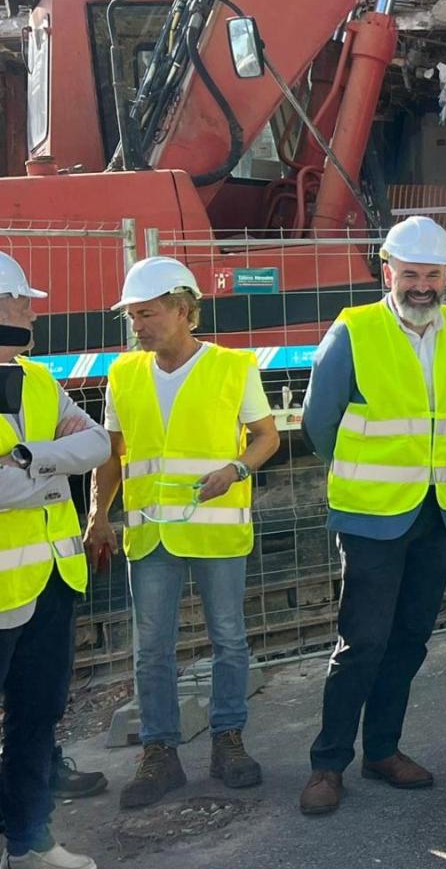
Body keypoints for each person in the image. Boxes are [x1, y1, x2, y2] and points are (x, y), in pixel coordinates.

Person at [297, 217, 446, 816]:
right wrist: (363, 470)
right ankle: (328, 764)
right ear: (388, 273)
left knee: (408, 640)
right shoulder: (354, 329)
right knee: (362, 642)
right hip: (372, 515)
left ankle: (382, 750)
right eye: (411, 274)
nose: (423, 286)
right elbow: (316, 423)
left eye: (433, 275)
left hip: (436, 511)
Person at [86, 257, 278, 811]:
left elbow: (266, 438)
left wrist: (236, 470)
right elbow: (113, 454)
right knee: (152, 650)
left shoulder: (233, 367)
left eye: (146, 314)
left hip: (215, 532)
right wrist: (98, 515)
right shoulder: (123, 374)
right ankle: (159, 753)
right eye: (132, 316)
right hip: (149, 536)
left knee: (228, 640)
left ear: (183, 310)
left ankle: (228, 742)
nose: (137, 326)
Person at [0, 251, 109, 869]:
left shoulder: (37, 379)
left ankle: (30, 843)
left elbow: (93, 444)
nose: (32, 310)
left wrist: (25, 461)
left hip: (51, 582)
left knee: (36, 719)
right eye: (20, 300)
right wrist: (48, 469)